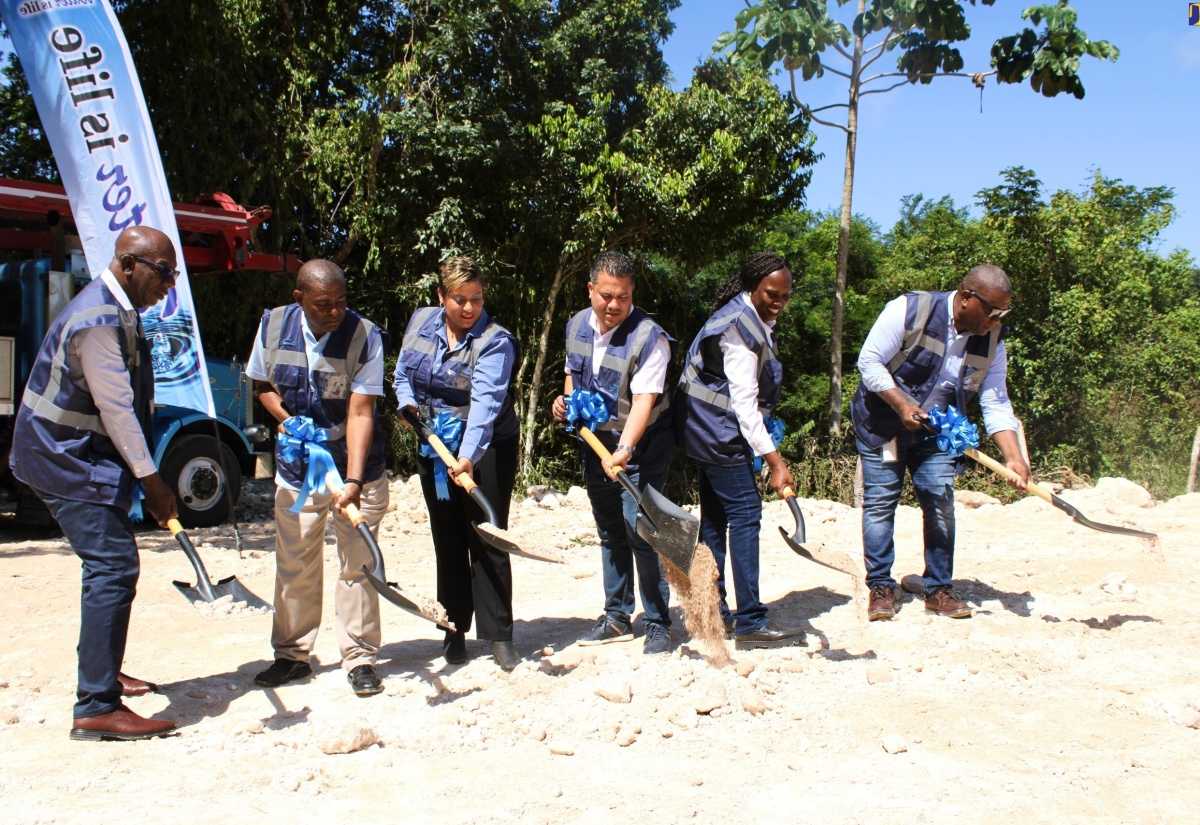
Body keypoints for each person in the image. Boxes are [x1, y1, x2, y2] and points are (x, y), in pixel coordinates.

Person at [10, 226, 180, 740]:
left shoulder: (119, 308)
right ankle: (95, 705)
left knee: (108, 564)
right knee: (113, 564)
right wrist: (153, 482)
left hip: (80, 454)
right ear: (129, 265)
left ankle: (105, 672)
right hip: (61, 457)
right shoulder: (99, 319)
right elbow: (117, 409)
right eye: (163, 273)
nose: (169, 285)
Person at [852, 264, 1030, 622]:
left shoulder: (993, 342)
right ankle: (881, 587)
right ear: (966, 298)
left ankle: (938, 588)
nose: (997, 320)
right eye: (993, 311)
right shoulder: (909, 309)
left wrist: (1014, 457)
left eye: (1003, 313)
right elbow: (868, 361)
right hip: (884, 422)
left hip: (937, 432)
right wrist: (901, 404)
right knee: (881, 502)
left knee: (939, 502)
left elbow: (995, 401)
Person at [247, 260, 390, 696]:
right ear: (299, 300)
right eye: (323, 305)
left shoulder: (365, 335)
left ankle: (360, 657)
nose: (334, 312)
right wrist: (287, 421)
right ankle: (292, 655)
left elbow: (361, 410)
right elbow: (261, 383)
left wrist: (352, 481)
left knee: (358, 562)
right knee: (295, 563)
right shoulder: (272, 326)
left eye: (341, 302)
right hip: (297, 468)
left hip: (354, 465)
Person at [394, 256, 522, 671]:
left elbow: (485, 404)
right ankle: (453, 629)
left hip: (485, 449)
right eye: (459, 299)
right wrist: (406, 403)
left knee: (487, 536)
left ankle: (500, 634)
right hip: (433, 444)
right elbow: (401, 375)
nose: (469, 309)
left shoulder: (496, 340)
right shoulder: (420, 322)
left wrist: (467, 458)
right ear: (440, 296)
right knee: (447, 536)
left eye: (477, 299)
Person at [675, 252, 806, 650]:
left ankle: (718, 613)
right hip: (717, 431)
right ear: (752, 287)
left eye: (785, 295)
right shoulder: (739, 330)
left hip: (704, 427)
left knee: (715, 519)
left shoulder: (747, 315)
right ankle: (750, 620)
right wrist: (776, 462)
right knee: (746, 514)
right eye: (771, 294)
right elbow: (745, 406)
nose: (778, 302)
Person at [551, 251, 675, 656]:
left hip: (640, 447)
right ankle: (617, 616)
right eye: (606, 295)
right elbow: (573, 375)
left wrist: (623, 450)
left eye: (622, 297)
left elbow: (643, 400)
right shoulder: (575, 324)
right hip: (594, 445)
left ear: (631, 292)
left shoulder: (650, 338)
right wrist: (566, 405)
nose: (613, 305)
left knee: (642, 531)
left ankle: (658, 622)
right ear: (591, 289)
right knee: (609, 530)